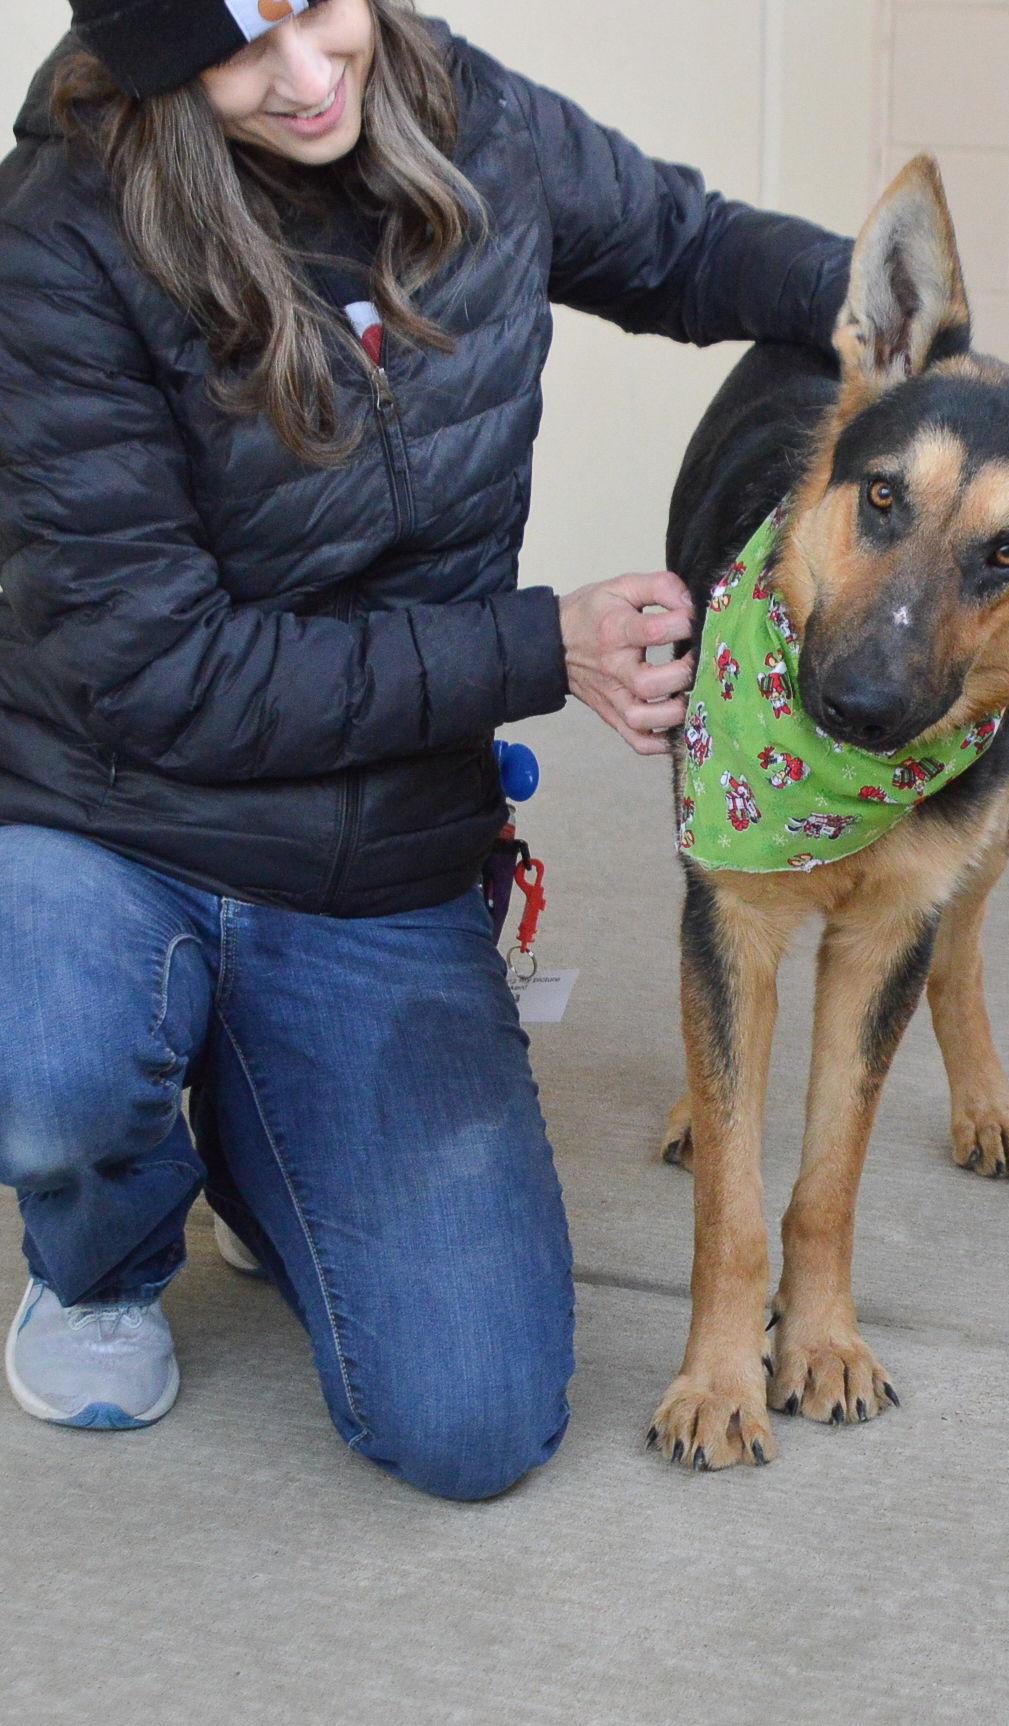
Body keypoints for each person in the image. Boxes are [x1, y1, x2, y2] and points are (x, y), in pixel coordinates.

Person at [0, 0, 852, 1499]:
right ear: (148, 59)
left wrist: (904, 315)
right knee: (53, 1066)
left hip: (374, 855)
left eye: (324, 10)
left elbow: (687, 247)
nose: (316, 76)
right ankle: (99, 1258)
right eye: (239, 47)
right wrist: (537, 647)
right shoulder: (63, 236)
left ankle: (268, 1146)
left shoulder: (470, 114)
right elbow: (163, 672)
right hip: (109, 821)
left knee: (468, 1424)